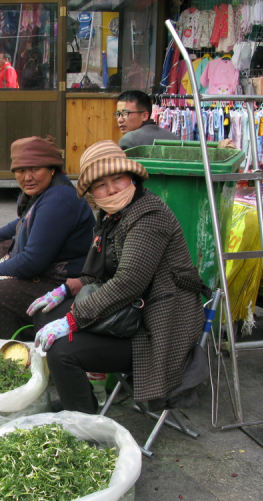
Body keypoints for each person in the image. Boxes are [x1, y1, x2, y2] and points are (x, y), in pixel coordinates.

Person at [28, 140, 205, 414]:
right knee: (43, 316)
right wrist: (66, 289)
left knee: (62, 350)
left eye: (118, 179)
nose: (110, 190)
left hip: (157, 326)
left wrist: (73, 320)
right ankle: (82, 400)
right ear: (92, 192)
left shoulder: (149, 216)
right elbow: (96, 273)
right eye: (100, 185)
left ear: (131, 177)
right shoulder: (112, 216)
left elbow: (128, 283)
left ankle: (84, 424)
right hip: (130, 311)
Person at [0, 136, 95, 340]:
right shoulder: (47, 191)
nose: (27, 177)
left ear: (52, 168)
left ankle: (14, 345)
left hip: (64, 279)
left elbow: (33, 261)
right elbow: (23, 224)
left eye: (35, 169)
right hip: (48, 264)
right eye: (20, 170)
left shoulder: (58, 200)